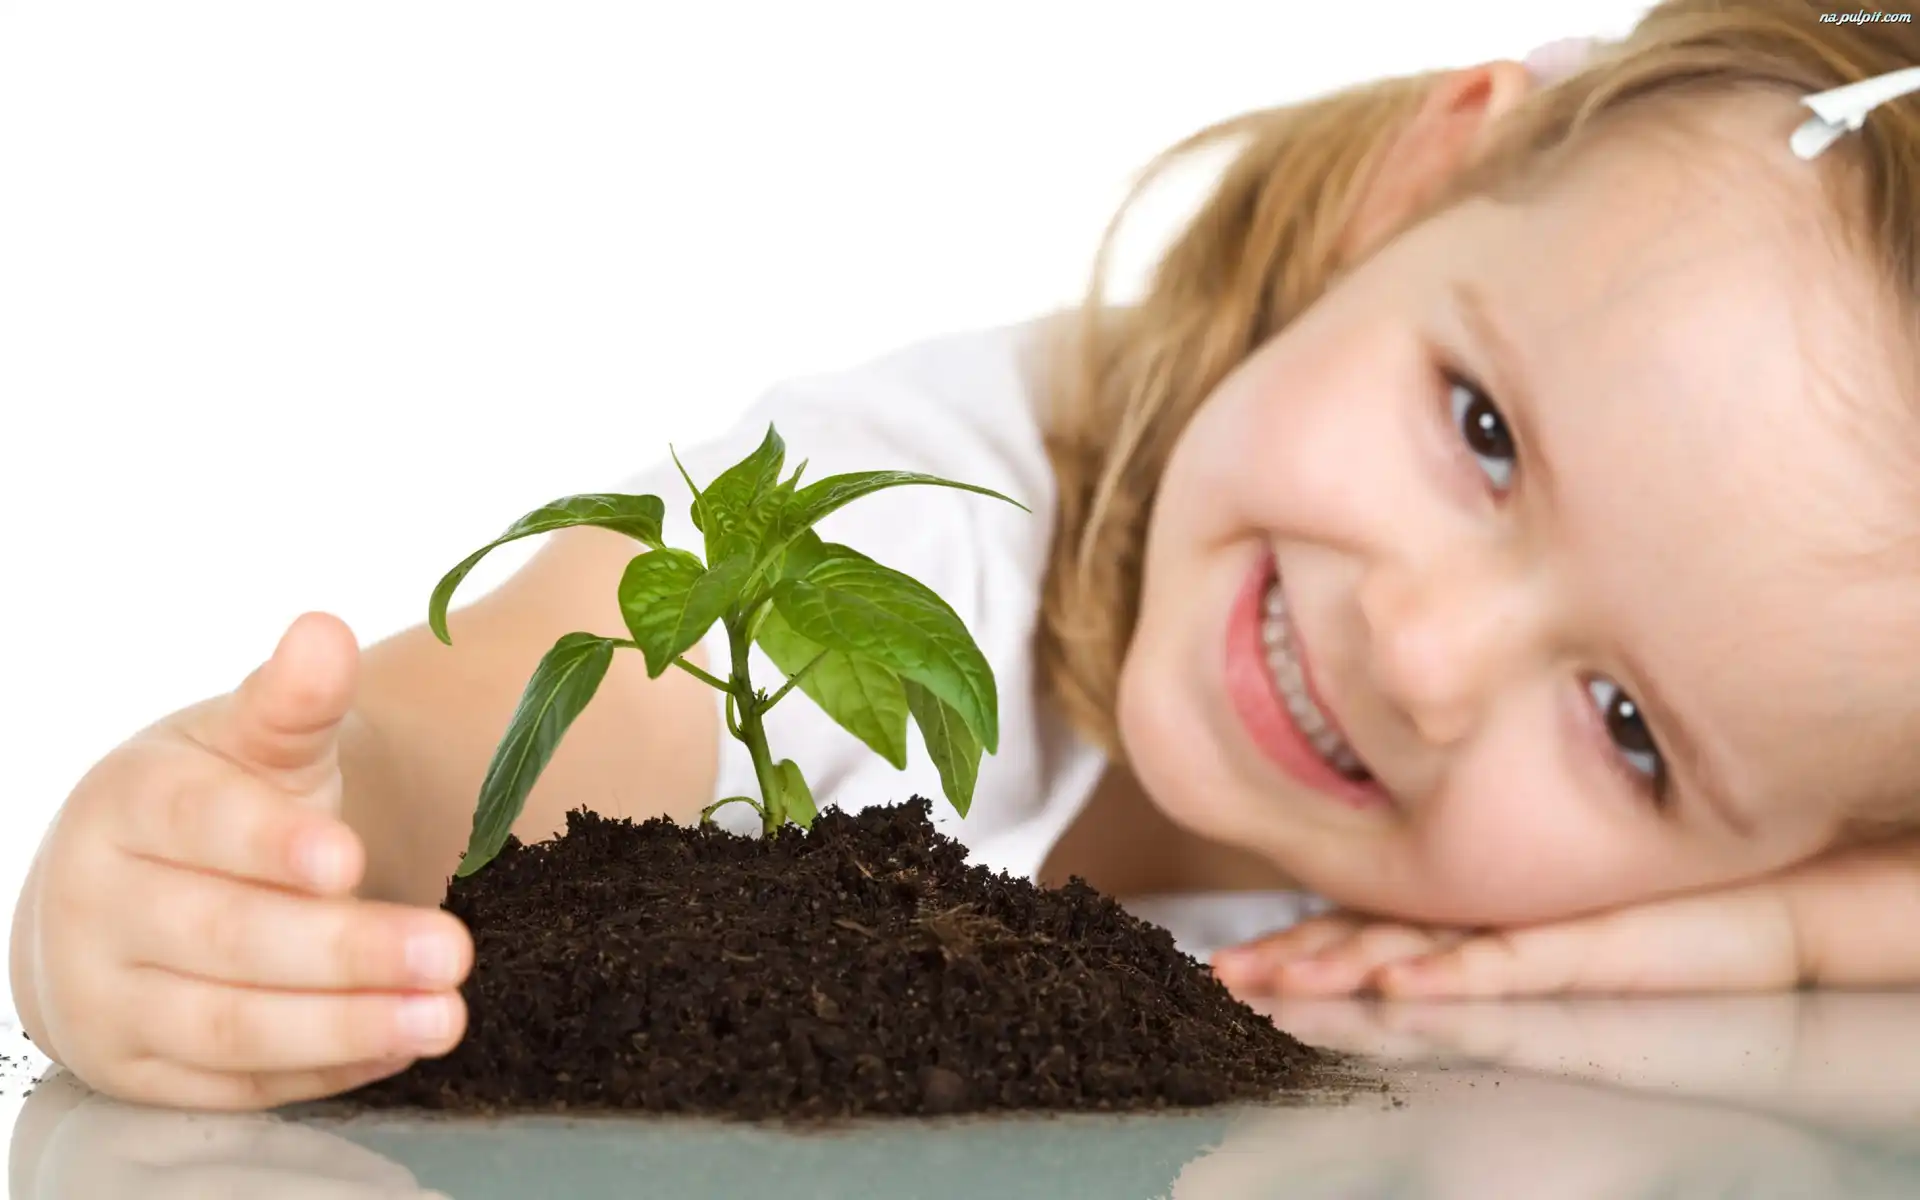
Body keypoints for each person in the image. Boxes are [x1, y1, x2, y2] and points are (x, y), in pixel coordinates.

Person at [16, 0, 1920, 1112]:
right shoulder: (939, 529)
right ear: (1410, 188)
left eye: (1628, 726)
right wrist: (303, 836)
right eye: (1484, 435)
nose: (1426, 662)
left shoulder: (1741, 854)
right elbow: (565, 692)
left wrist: (1790, 930)